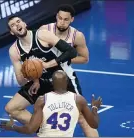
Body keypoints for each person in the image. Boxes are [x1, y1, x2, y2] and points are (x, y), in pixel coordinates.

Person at [4, 15, 79, 126]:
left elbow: (72, 52)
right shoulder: (14, 50)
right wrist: (31, 75)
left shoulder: (42, 35)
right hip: (40, 82)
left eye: (18, 21)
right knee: (11, 108)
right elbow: (20, 81)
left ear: (24, 24)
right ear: (12, 32)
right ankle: (43, 129)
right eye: (13, 25)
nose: (17, 25)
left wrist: (46, 65)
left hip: (61, 79)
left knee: (80, 118)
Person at [39, 4, 99, 137]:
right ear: (56, 17)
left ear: (72, 19)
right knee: (44, 115)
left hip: (66, 78)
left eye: (66, 19)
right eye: (60, 18)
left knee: (82, 116)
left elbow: (84, 59)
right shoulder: (45, 30)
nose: (62, 22)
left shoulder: (77, 36)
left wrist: (61, 60)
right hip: (45, 78)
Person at [0, 70, 102, 137]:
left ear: (52, 83)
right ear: (67, 82)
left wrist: (12, 127)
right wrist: (94, 108)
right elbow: (94, 124)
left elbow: (30, 129)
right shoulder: (78, 100)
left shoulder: (42, 100)